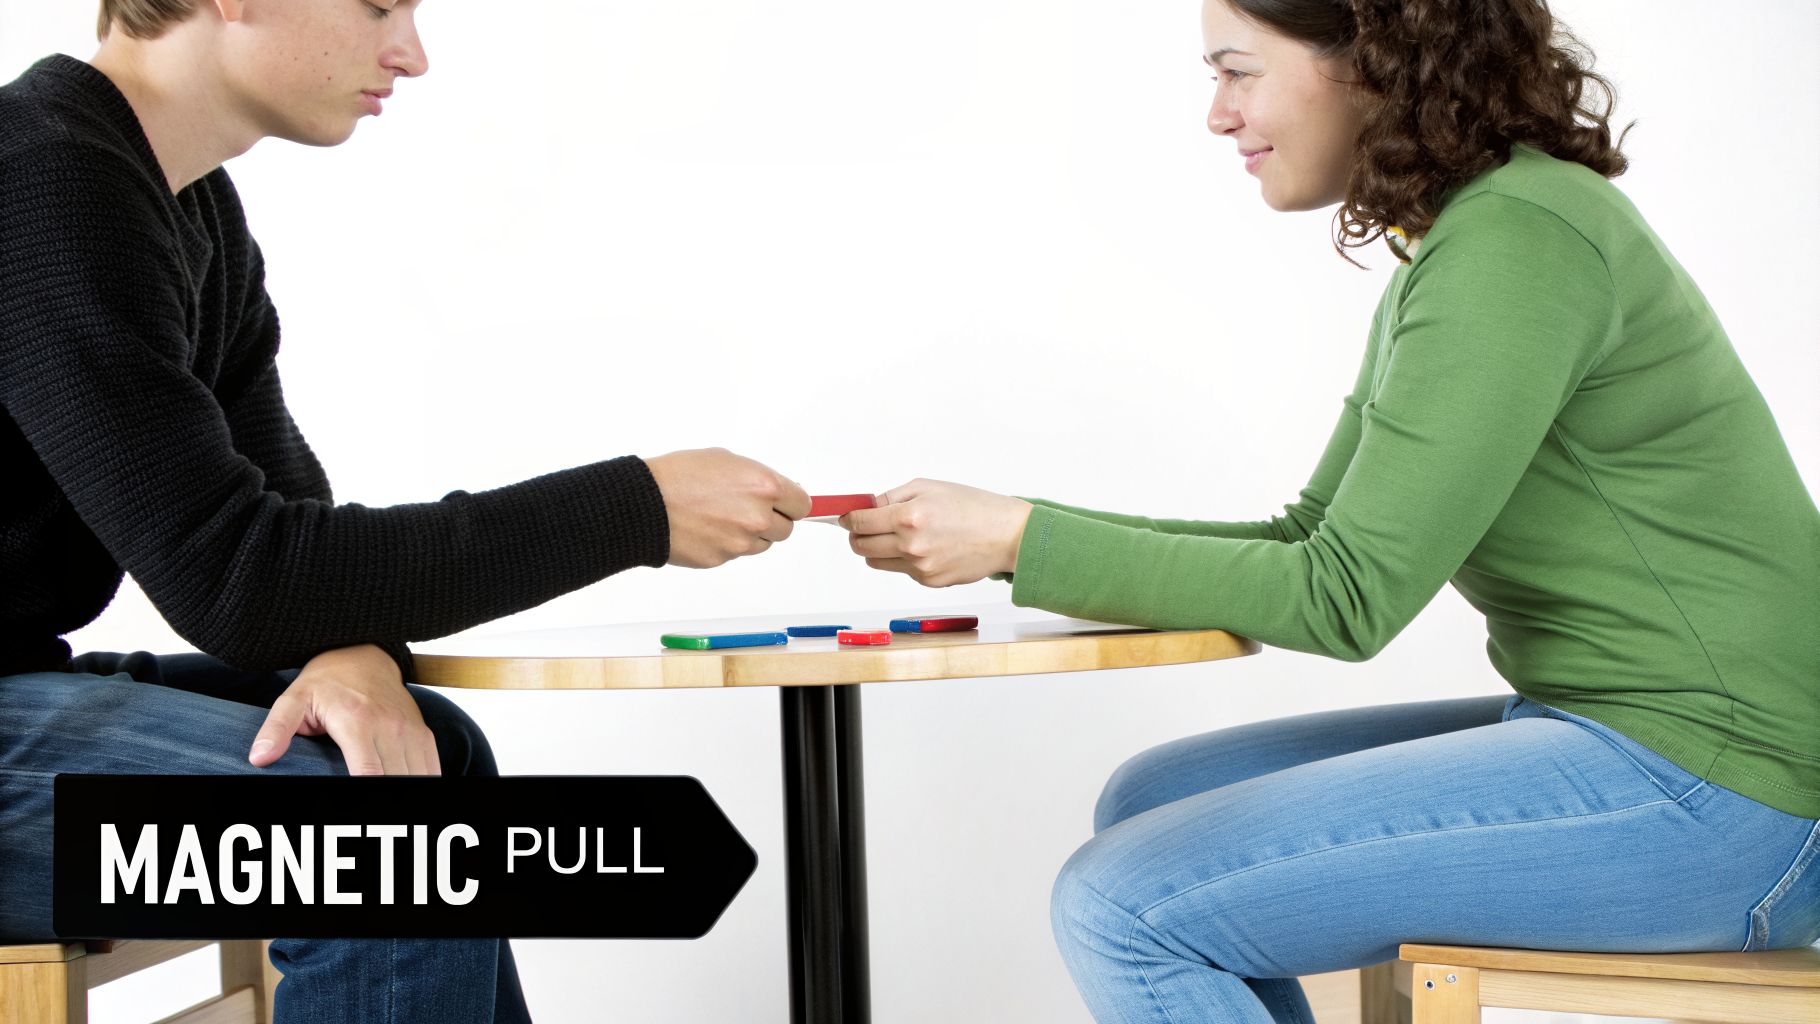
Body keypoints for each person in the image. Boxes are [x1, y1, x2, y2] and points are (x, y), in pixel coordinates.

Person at [838, 0, 1820, 1019]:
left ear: (1369, 63)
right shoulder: (1466, 237)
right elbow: (1311, 539)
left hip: (1732, 801)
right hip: (1648, 747)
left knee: (1125, 905)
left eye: (1235, 71)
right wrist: (1010, 529)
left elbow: (1343, 598)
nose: (1217, 115)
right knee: (1150, 803)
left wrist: (1017, 537)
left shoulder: (1515, 242)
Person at [0, 1, 811, 1019]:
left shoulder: (187, 206)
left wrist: (348, 651)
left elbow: (284, 533)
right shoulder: (41, 176)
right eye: (379, 5)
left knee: (429, 750)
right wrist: (633, 510)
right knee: (387, 854)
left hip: (22, 689)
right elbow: (244, 581)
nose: (411, 54)